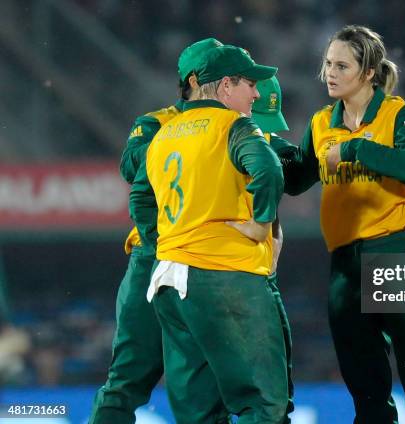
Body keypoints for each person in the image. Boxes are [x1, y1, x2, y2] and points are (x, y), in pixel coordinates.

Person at [281, 25, 405, 423]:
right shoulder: (320, 124)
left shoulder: (397, 113)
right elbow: (297, 180)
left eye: (341, 65)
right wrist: (269, 147)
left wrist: (354, 148)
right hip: (346, 263)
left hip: (398, 251)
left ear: (368, 73)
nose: (330, 72)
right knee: (365, 387)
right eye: (328, 64)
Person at [130, 44, 288, 424]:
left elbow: (139, 196)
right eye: (249, 83)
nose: (255, 94)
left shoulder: (164, 135)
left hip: (169, 283)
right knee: (263, 405)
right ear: (225, 86)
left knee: (197, 411)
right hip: (225, 278)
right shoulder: (233, 125)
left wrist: (165, 243)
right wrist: (261, 224)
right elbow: (268, 171)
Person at [90, 39, 230, 424]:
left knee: (200, 391)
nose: (234, 87)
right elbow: (130, 164)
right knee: (126, 381)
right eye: (227, 79)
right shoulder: (156, 123)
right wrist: (188, 139)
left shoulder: (234, 127)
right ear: (197, 81)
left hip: (207, 261)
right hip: (154, 256)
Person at [251, 75, 294, 423]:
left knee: (276, 396)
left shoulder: (267, 144)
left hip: (262, 273)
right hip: (234, 276)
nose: (265, 135)